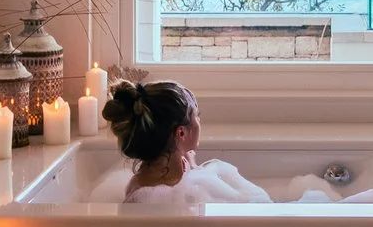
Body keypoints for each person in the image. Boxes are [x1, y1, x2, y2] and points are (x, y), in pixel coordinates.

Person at [99, 80, 268, 204]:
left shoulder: (174, 160)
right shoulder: (142, 197)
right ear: (181, 133)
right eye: (197, 117)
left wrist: (192, 163)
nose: (200, 123)